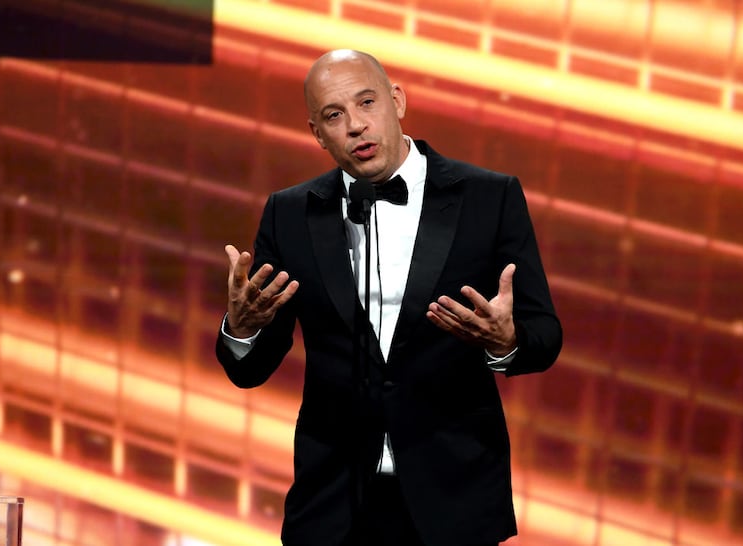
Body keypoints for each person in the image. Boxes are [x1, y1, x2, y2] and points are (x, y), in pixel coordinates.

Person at [216, 49, 562, 546]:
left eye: (366, 102)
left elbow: (544, 336)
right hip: (333, 506)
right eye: (334, 116)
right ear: (317, 134)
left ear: (397, 101)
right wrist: (243, 330)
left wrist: (504, 342)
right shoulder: (289, 214)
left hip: (453, 499)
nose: (356, 125)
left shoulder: (490, 198)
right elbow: (251, 370)